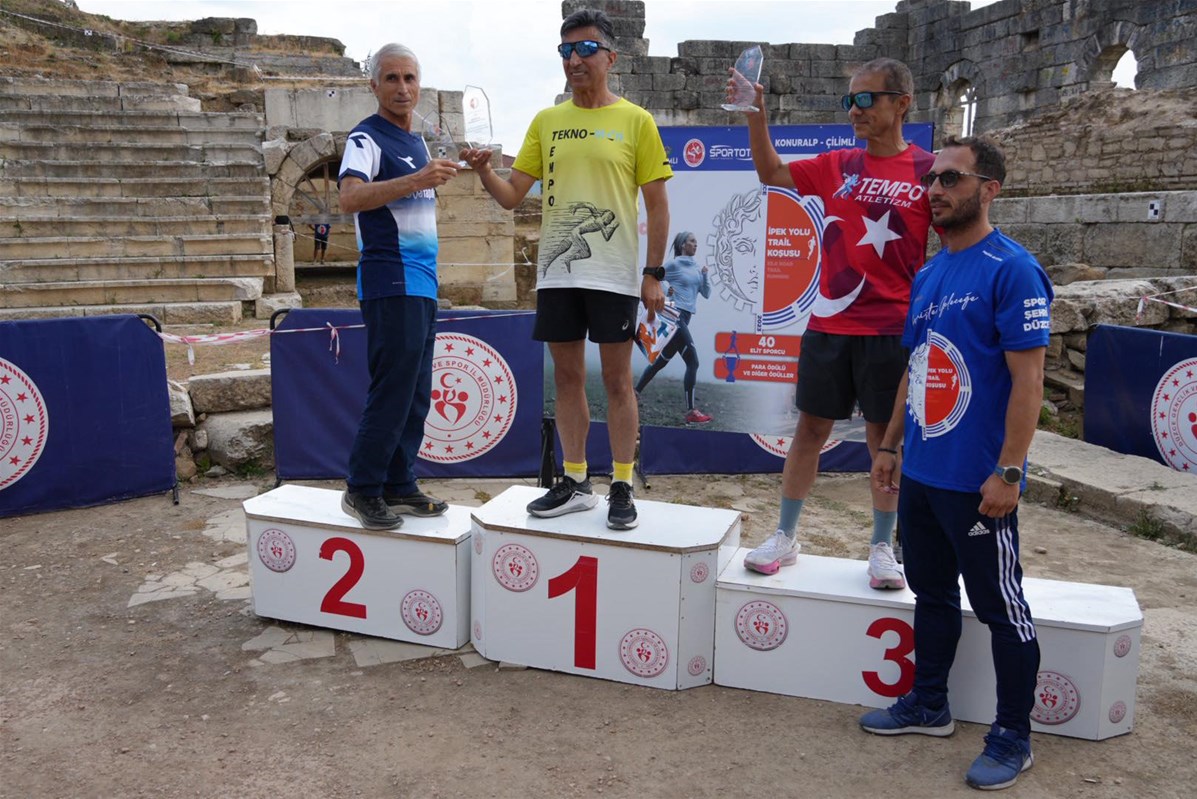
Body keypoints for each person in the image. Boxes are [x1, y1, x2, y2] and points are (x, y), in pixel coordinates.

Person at [859, 136, 1052, 791]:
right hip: (921, 474)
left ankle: (1013, 736)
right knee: (932, 593)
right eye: (931, 178)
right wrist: (890, 446)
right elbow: (916, 368)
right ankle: (929, 703)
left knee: (1001, 608)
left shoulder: (1013, 269)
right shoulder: (929, 273)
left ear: (988, 189)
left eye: (950, 178)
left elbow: (1029, 382)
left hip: (977, 482)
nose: (933, 189)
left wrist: (1010, 471)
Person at [460, 8, 672, 530]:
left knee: (618, 382)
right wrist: (485, 171)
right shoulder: (546, 122)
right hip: (558, 274)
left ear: (610, 57)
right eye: (566, 50)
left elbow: (657, 204)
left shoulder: (636, 121)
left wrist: (654, 273)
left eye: (585, 49)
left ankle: (621, 484)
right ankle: (575, 481)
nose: (574, 60)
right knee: (569, 379)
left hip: (614, 273)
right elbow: (512, 196)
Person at [734, 58, 936, 589]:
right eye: (849, 100)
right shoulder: (837, 164)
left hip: (892, 331)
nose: (854, 110)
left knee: (882, 441)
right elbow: (771, 173)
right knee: (809, 431)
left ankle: (882, 547)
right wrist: (756, 114)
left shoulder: (929, 170)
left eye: (866, 99)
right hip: (829, 324)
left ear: (901, 103)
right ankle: (785, 535)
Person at [336, 43, 461, 530]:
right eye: (391, 78)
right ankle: (362, 488)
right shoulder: (365, 137)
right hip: (390, 278)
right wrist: (415, 179)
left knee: (416, 393)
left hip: (423, 282)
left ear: (419, 85)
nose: (402, 88)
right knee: (392, 390)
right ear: (374, 85)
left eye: (409, 78)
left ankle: (399, 482)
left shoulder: (418, 143)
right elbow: (349, 198)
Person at [635, 231, 713, 424]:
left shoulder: (697, 267)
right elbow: (654, 277)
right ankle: (691, 411)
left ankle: (635, 393)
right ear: (682, 245)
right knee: (693, 362)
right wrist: (665, 291)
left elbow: (706, 293)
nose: (696, 244)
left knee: (661, 361)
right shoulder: (675, 264)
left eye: (696, 241)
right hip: (675, 316)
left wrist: (705, 275)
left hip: (686, 318)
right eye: (692, 241)